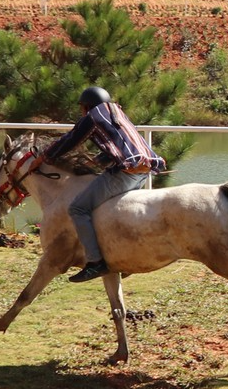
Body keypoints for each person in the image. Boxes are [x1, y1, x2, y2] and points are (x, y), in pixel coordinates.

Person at [45, 86, 165, 283]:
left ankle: (95, 262)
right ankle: (123, 257)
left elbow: (71, 139)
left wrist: (47, 155)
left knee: (78, 208)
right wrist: (100, 160)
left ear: (86, 106)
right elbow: (120, 142)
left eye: (82, 108)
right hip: (144, 171)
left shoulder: (92, 116)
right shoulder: (117, 112)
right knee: (113, 211)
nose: (82, 112)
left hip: (126, 174)